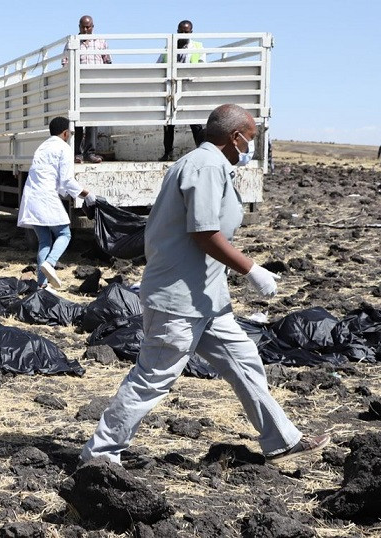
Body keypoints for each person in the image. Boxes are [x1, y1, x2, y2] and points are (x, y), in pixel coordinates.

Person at [80, 104, 331, 466]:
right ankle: (100, 455)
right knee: (153, 377)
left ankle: (282, 440)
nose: (250, 148)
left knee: (244, 361)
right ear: (235, 137)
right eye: (250, 140)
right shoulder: (206, 167)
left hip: (207, 298)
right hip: (178, 299)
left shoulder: (206, 164)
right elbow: (204, 233)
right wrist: (252, 269)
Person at [17, 117, 96, 289]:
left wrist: (66, 192)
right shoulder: (64, 148)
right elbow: (67, 180)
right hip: (45, 196)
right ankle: (50, 263)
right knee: (64, 234)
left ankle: (42, 285)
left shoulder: (43, 146)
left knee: (45, 241)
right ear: (66, 133)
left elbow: (58, 180)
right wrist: (87, 195)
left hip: (31, 196)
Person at [160, 20, 206, 161]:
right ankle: (168, 152)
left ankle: (202, 152)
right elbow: (160, 65)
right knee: (169, 123)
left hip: (189, 90)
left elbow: (202, 68)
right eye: (181, 31)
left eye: (186, 32)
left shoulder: (198, 47)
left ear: (191, 32)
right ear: (177, 31)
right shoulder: (169, 46)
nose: (183, 34)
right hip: (172, 89)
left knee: (195, 123)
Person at [69, 15, 111, 164]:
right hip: (77, 86)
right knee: (77, 121)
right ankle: (77, 153)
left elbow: (108, 62)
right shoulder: (73, 42)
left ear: (93, 27)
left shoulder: (100, 42)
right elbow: (65, 63)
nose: (86, 30)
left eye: (88, 27)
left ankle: (90, 153)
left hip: (94, 86)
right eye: (83, 27)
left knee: (92, 120)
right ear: (79, 26)